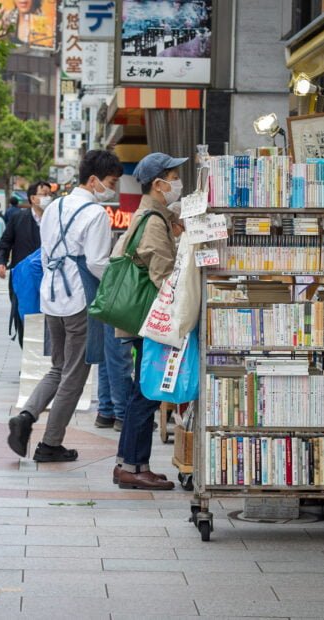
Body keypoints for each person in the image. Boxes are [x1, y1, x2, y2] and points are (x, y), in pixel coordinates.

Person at [6, 150, 120, 462]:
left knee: (59, 367)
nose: (113, 189)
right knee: (74, 375)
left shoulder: (54, 206)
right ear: (94, 180)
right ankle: (50, 444)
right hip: (79, 299)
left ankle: (26, 416)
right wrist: (120, 275)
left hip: (52, 297)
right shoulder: (95, 214)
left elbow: (46, 254)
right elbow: (97, 263)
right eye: (110, 182)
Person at [112, 152, 188, 491]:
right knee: (145, 393)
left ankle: (136, 463)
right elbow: (164, 277)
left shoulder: (154, 215)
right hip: (150, 321)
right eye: (173, 177)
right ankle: (130, 467)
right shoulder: (153, 222)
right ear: (158, 184)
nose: (177, 184)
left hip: (144, 321)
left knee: (141, 392)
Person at [0, 181, 50, 346]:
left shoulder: (55, 219)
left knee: (48, 321)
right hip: (22, 278)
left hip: (47, 278)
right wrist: (0, 263)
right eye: (44, 194)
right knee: (24, 319)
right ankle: (29, 362)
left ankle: (45, 362)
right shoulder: (18, 218)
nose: (48, 198)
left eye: (50, 194)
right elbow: (5, 243)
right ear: (33, 198)